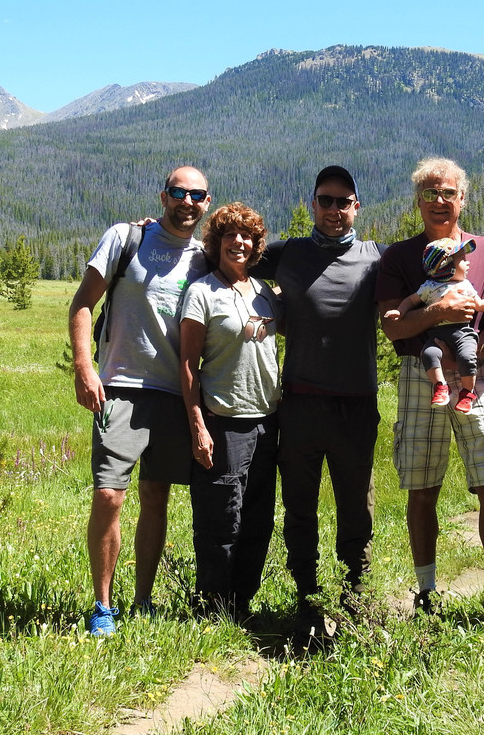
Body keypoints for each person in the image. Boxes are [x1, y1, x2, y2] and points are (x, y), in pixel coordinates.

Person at [69, 165, 211, 635]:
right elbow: (83, 304)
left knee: (155, 496)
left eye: (197, 195)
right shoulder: (126, 238)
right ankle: (103, 606)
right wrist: (85, 368)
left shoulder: (205, 257)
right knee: (109, 494)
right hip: (122, 387)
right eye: (178, 192)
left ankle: (144, 600)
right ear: (163, 195)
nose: (187, 202)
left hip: (174, 393)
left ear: (207, 203)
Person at [376, 156, 484, 622]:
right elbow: (394, 328)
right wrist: (439, 315)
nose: (440, 202)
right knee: (422, 487)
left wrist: (474, 352)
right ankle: (426, 593)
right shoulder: (398, 257)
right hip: (423, 375)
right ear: (418, 200)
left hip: (476, 377)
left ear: (463, 199)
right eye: (430, 193)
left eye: (449, 193)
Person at [250, 165, 385, 643]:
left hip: (356, 406)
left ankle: (354, 598)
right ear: (312, 204)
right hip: (301, 405)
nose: (333, 210)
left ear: (357, 207)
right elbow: (227, 251)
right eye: (325, 201)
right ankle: (307, 603)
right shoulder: (288, 254)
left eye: (343, 202)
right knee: (299, 507)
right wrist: (156, 235)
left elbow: (435, 260)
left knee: (356, 508)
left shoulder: (377, 258)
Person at [179, 203, 282, 618]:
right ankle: (213, 606)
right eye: (229, 235)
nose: (238, 242)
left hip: (267, 421)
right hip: (222, 422)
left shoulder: (265, 293)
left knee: (259, 520)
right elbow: (187, 364)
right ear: (216, 242)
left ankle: (242, 602)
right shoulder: (202, 292)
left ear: (256, 245)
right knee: (221, 521)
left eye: (246, 237)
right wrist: (197, 426)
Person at [384, 237, 484, 413]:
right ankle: (440, 387)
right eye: (461, 258)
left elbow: (481, 305)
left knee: (468, 356)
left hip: (463, 333)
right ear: (446, 266)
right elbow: (410, 300)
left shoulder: (466, 285)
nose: (467, 262)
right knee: (429, 353)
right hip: (437, 335)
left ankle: (467, 394)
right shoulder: (429, 287)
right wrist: (400, 312)